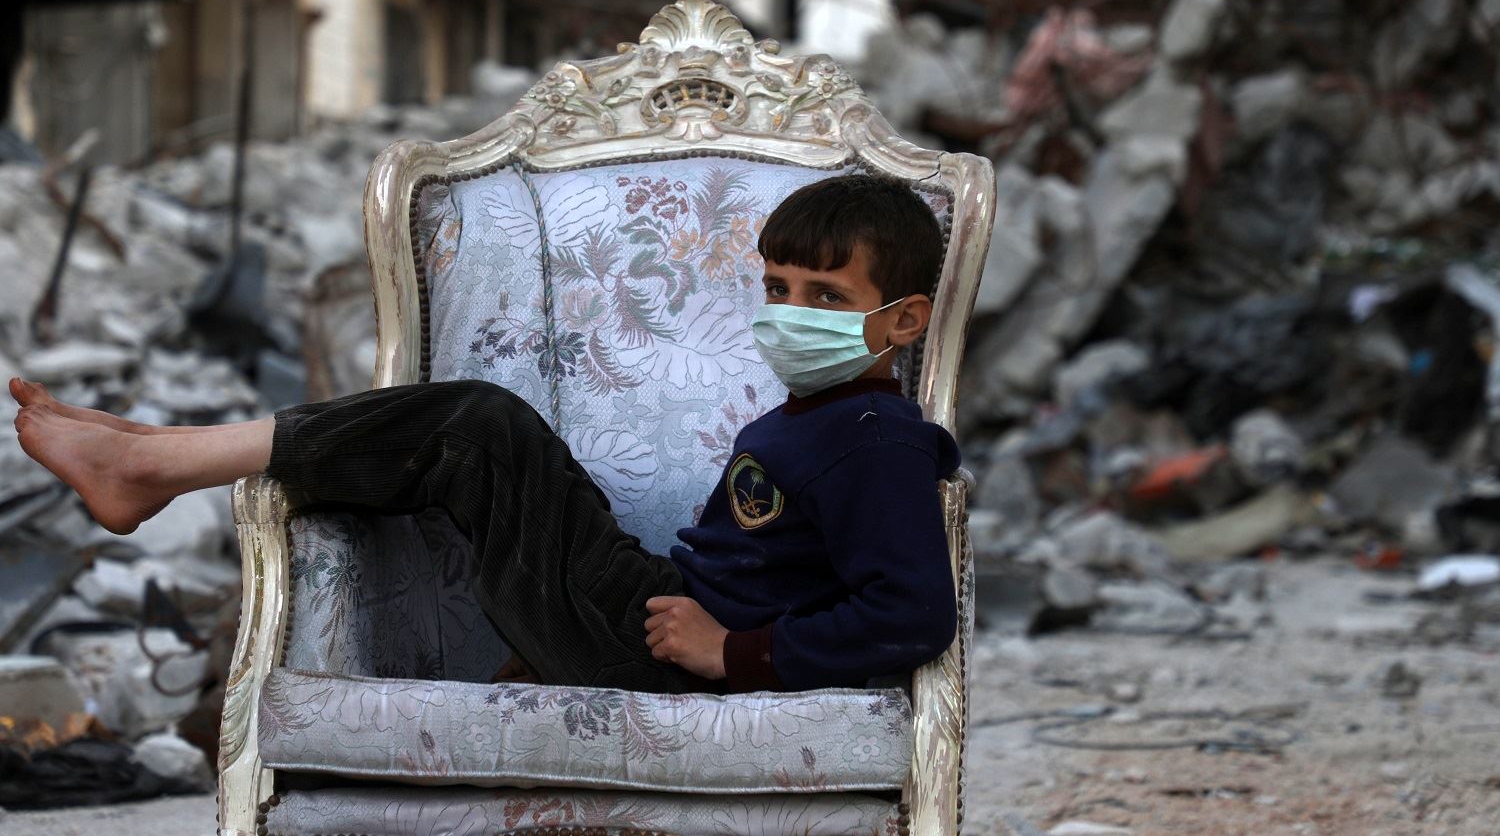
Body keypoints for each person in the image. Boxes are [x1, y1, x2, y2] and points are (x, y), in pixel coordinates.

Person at [9, 174, 958, 696]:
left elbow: (912, 613)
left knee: (479, 427)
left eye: (828, 299)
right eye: (778, 290)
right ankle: (151, 454)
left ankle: (152, 461)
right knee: (484, 429)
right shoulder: (827, 416)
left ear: (905, 321)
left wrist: (734, 651)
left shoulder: (878, 442)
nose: (791, 315)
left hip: (672, 658)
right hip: (653, 612)